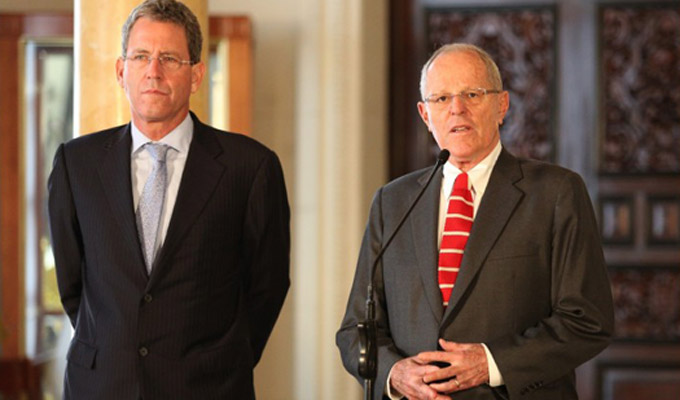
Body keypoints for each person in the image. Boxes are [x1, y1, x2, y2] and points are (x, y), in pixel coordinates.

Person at [336, 43, 614, 400]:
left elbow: (587, 320)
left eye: (472, 94)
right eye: (441, 99)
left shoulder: (556, 192)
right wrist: (395, 373)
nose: (457, 109)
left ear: (502, 105)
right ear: (425, 115)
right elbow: (355, 330)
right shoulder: (393, 201)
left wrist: (492, 363)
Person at [48, 1, 290, 398]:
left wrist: (225, 360)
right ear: (121, 71)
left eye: (170, 58)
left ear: (196, 75)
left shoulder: (250, 168)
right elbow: (72, 284)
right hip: (102, 385)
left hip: (208, 388)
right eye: (141, 56)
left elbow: (268, 285)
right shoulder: (77, 164)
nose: (153, 71)